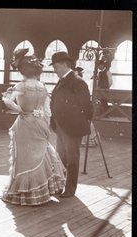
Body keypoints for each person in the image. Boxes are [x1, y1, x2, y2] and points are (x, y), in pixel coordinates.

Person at [1, 48, 66, 206]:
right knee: (39, 154)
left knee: (25, 158)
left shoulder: (21, 86)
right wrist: (45, 125)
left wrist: (19, 110)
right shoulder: (42, 86)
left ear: (22, 70)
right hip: (40, 121)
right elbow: (47, 110)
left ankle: (26, 193)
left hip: (25, 123)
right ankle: (41, 191)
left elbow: (7, 101)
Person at [50, 51, 94, 198]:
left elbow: (86, 105)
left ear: (64, 65)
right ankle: (61, 184)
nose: (54, 70)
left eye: (56, 66)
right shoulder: (62, 80)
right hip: (61, 125)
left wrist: (75, 121)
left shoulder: (77, 82)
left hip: (72, 127)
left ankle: (70, 188)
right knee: (61, 156)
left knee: (71, 158)